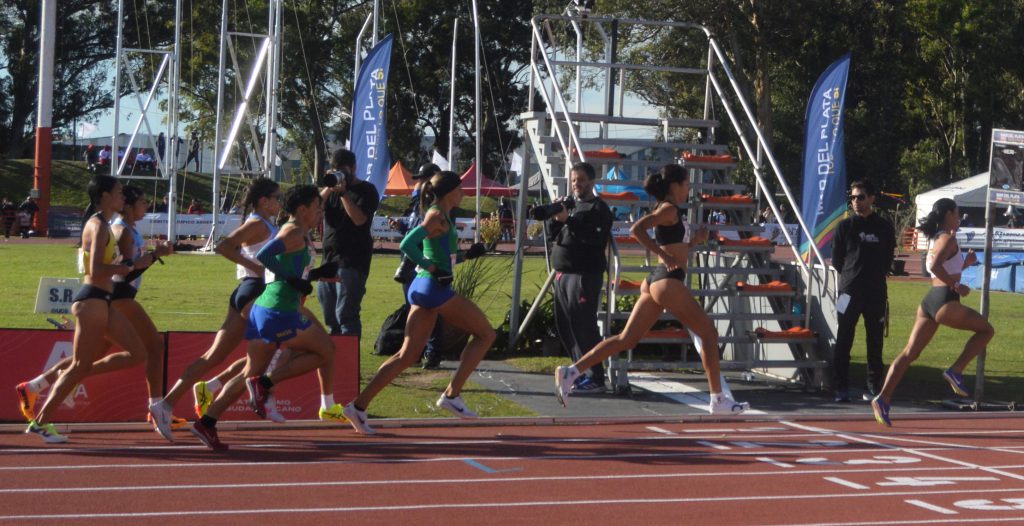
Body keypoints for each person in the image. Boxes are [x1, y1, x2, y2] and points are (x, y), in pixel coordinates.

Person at [554, 164, 750, 415]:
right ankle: (718, 399)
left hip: (656, 282)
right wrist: (662, 255)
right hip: (667, 282)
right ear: (674, 186)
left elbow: (674, 249)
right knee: (710, 334)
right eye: (686, 184)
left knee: (626, 339)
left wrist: (693, 243)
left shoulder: (667, 210)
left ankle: (572, 372)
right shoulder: (668, 209)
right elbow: (637, 229)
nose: (688, 189)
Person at [16, 186, 180, 438]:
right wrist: (135, 264)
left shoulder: (108, 225)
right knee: (88, 363)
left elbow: (115, 266)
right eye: (120, 194)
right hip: (101, 298)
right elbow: (97, 270)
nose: (124, 198)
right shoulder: (107, 226)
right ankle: (42, 415)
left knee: (133, 354)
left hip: (104, 299)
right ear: (106, 197)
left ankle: (41, 386)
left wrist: (136, 262)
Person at [343, 171, 493, 434]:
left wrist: (469, 254)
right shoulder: (436, 214)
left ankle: (357, 406)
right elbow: (408, 243)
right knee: (485, 334)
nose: (464, 193)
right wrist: (430, 267)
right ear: (448, 192)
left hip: (425, 288)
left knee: (407, 355)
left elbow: (444, 256)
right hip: (433, 288)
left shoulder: (442, 215)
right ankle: (452, 395)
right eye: (460, 188)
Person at [191, 185, 338, 450]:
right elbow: (264, 256)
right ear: (303, 209)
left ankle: (207, 422)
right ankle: (265, 384)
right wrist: (293, 279)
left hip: (268, 307)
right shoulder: (293, 231)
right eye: (317, 208)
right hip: (281, 309)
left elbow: (286, 267)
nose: (320, 212)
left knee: (248, 372)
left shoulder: (297, 232)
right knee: (326, 351)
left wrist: (314, 275)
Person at [871, 198, 994, 426]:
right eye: (957, 213)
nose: (959, 218)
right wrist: (956, 286)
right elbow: (936, 267)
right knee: (987, 330)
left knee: (910, 353)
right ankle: (956, 370)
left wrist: (965, 263)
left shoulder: (937, 238)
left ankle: (883, 398)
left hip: (930, 301)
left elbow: (940, 267)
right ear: (948, 214)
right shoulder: (948, 238)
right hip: (945, 300)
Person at [545, 162, 614, 394]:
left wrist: (569, 221)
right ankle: (579, 371)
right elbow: (553, 235)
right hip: (563, 274)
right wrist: (555, 218)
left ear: (592, 182)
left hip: (584, 275)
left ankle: (595, 377)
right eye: (574, 180)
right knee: (566, 326)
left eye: (582, 180)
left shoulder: (597, 208)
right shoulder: (572, 206)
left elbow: (594, 238)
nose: (577, 184)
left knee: (584, 326)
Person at [830, 180, 896, 402]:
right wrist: (852, 277)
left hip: (876, 292)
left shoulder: (885, 227)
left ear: (872, 198)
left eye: (860, 197)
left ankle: (874, 387)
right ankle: (840, 387)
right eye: (852, 197)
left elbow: (888, 259)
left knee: (875, 341)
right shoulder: (844, 227)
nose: (855, 202)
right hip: (848, 292)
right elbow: (837, 261)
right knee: (844, 338)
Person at [317, 148, 380, 336]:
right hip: (328, 259)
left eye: (343, 170)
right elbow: (313, 210)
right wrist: (329, 186)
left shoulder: (367, 190)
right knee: (329, 317)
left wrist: (344, 193)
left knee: (346, 314)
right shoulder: (331, 191)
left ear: (353, 167)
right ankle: (336, 363)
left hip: (353, 260)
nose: (341, 174)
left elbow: (359, 219)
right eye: (336, 170)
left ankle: (350, 363)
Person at [393, 162, 445, 368]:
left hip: (423, 264)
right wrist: (401, 226)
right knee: (413, 309)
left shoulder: (435, 208)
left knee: (430, 309)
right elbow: (412, 230)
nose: (418, 183)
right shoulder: (418, 205)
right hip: (410, 263)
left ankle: (432, 353)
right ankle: (415, 351)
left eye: (422, 179)